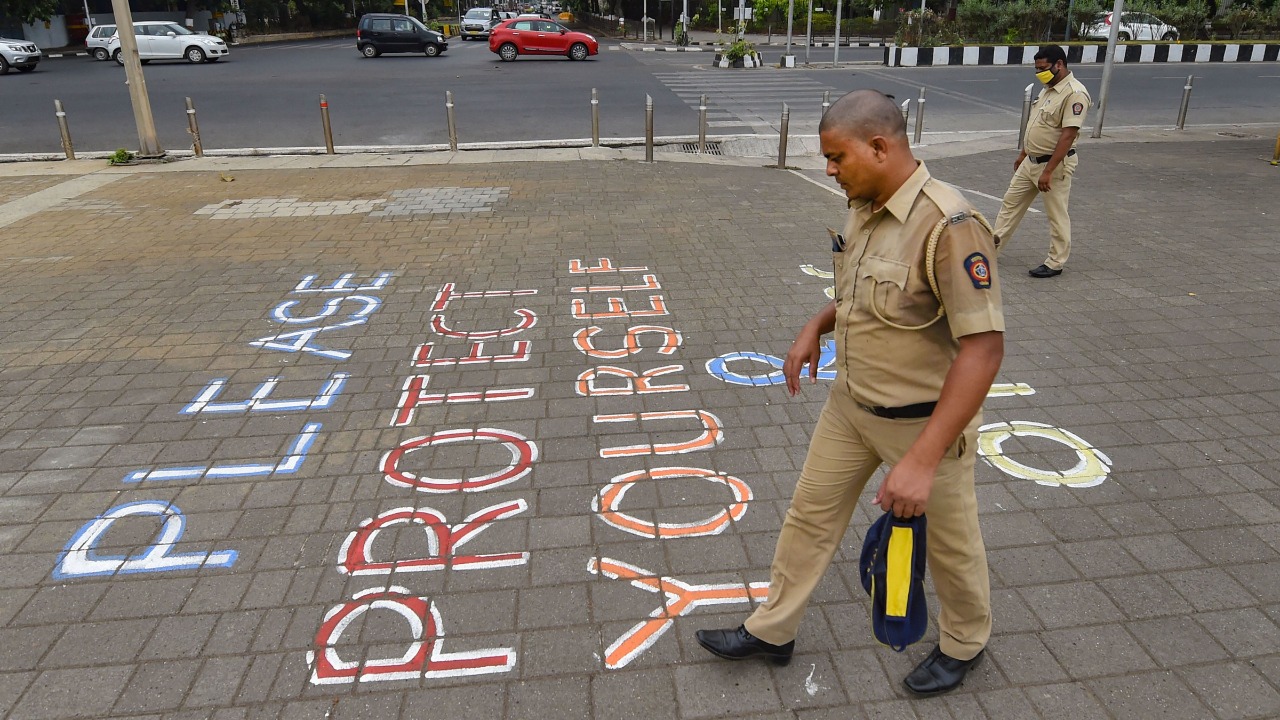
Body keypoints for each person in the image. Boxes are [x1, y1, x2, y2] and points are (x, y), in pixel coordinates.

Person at [695, 89, 1004, 698]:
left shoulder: (951, 225)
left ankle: (964, 642)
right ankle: (773, 630)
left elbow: (984, 350)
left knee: (950, 547)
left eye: (837, 157)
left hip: (923, 425)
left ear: (880, 146)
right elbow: (862, 293)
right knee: (808, 516)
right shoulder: (865, 204)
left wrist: (919, 461)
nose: (829, 171)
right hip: (850, 405)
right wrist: (816, 324)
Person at [993, 45, 1091, 278]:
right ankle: (991, 249)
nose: (1040, 74)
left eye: (1044, 69)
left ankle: (1056, 262)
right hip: (1031, 162)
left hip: (1053, 166)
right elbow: (1038, 125)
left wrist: (1048, 171)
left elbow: (1067, 136)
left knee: (1056, 214)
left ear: (1059, 64)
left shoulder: (1074, 93)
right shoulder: (1048, 89)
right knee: (1010, 204)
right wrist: (1024, 153)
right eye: (1037, 69)